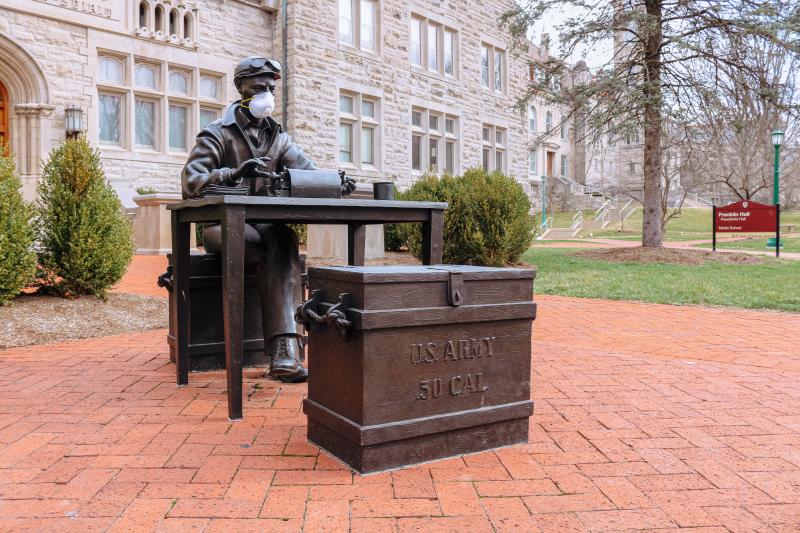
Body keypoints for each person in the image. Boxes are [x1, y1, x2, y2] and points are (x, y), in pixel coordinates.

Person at [181, 56, 315, 383]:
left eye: (270, 88)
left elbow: (309, 174)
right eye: (258, 87)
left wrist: (336, 183)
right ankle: (285, 349)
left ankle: (285, 353)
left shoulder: (279, 137)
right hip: (221, 228)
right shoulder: (217, 133)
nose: (265, 94)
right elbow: (189, 182)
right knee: (278, 246)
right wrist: (231, 173)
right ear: (240, 88)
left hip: (266, 230)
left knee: (280, 238)